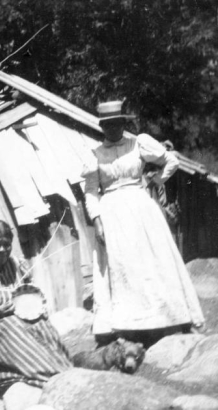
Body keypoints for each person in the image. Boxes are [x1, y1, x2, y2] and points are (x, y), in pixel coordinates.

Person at [83, 100, 205, 342]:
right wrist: (97, 220)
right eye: (108, 125)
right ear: (102, 127)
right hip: (112, 212)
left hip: (141, 208)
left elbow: (171, 161)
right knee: (122, 267)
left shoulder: (138, 143)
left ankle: (168, 319)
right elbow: (90, 191)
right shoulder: (95, 154)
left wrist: (155, 180)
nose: (113, 129)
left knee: (153, 261)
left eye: (117, 124)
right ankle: (125, 326)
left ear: (123, 123)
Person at [0, 220, 72, 391]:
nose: (2, 250)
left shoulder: (16, 264)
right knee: (14, 330)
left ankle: (66, 371)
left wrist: (35, 305)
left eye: (6, 245)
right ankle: (51, 379)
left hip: (18, 321)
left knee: (43, 326)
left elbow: (31, 291)